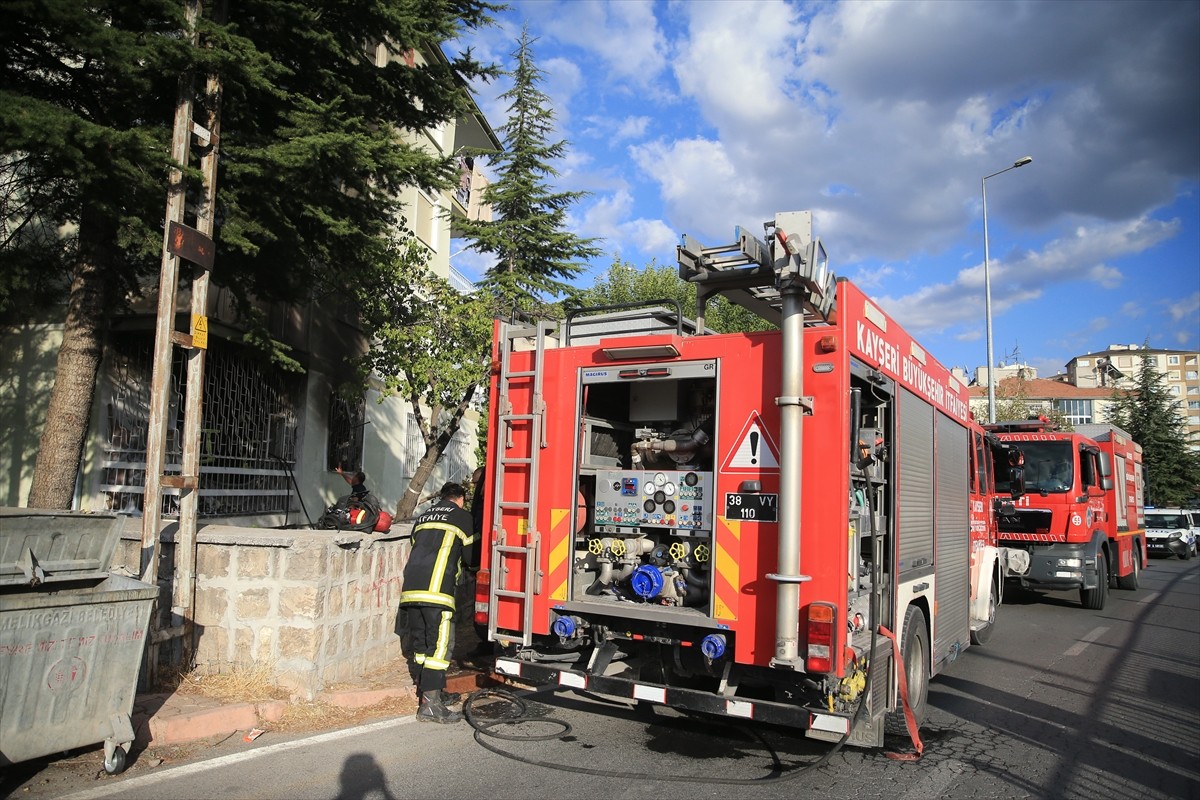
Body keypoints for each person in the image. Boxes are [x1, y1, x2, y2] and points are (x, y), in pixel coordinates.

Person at [400, 481, 477, 723]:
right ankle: (430, 706)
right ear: (461, 499)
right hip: (438, 592)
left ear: (442, 497)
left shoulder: (423, 517)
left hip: (411, 590)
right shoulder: (462, 517)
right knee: (440, 647)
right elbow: (471, 558)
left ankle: (432, 692)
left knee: (422, 646)